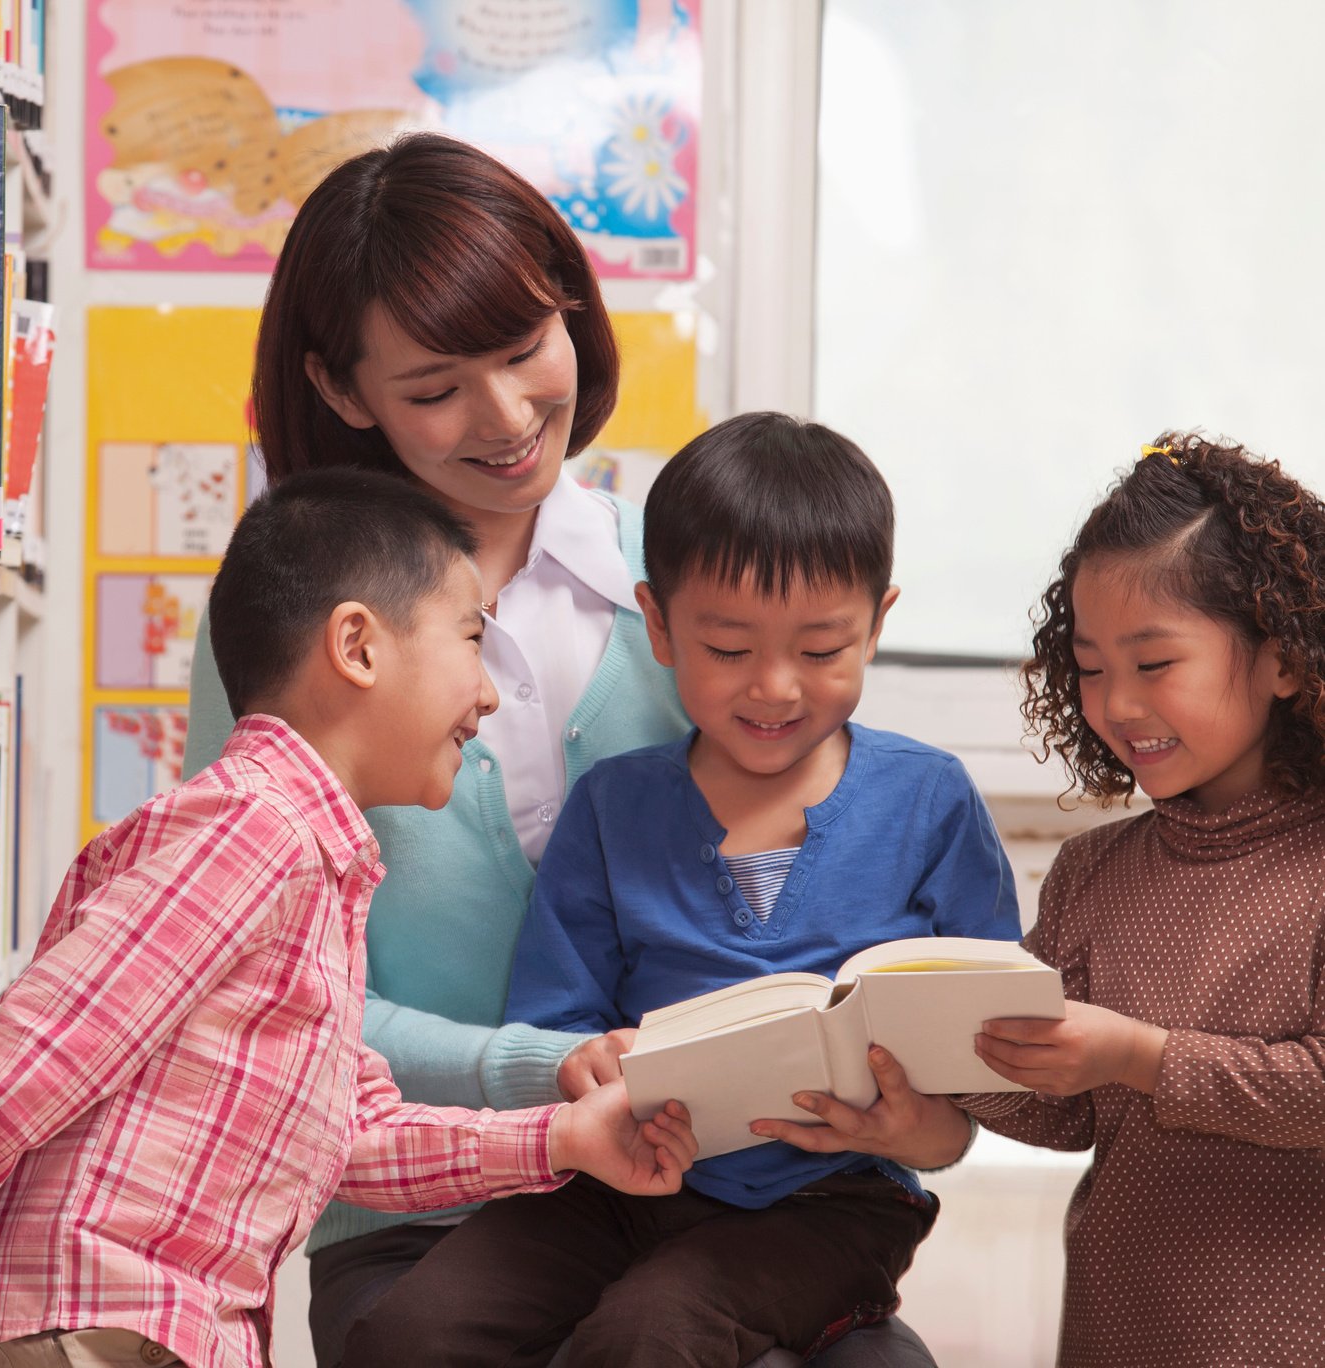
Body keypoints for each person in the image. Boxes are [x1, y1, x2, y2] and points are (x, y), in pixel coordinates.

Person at [183, 135, 935, 1368]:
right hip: (414, 1207)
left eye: (528, 348)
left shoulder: (705, 590)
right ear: (342, 388)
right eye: (433, 388)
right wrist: (533, 1071)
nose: (509, 416)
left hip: (712, 1197)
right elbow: (268, 994)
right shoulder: (285, 629)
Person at [0, 470, 700, 1368]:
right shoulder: (252, 831)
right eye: (470, 638)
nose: (489, 695)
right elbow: (35, 1058)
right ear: (358, 648)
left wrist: (566, 1138)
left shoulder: (315, 864)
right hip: (91, 1325)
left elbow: (347, 1138)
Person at [337, 413, 1023, 1368]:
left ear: (878, 623)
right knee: (410, 1333)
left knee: (650, 1337)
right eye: (730, 649)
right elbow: (563, 1026)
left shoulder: (929, 802)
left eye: (823, 650)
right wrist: (595, 1064)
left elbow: (985, 1060)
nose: (776, 688)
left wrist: (918, 1125)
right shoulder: (615, 807)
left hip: (833, 1203)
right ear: (657, 623)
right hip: (621, 1176)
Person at [800, 433, 1325, 1366]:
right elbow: (1062, 1108)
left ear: (1283, 659)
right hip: (1118, 1333)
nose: (1115, 703)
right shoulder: (1092, 874)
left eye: (1154, 663)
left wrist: (1137, 1053)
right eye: (1088, 667)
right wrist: (924, 1071)